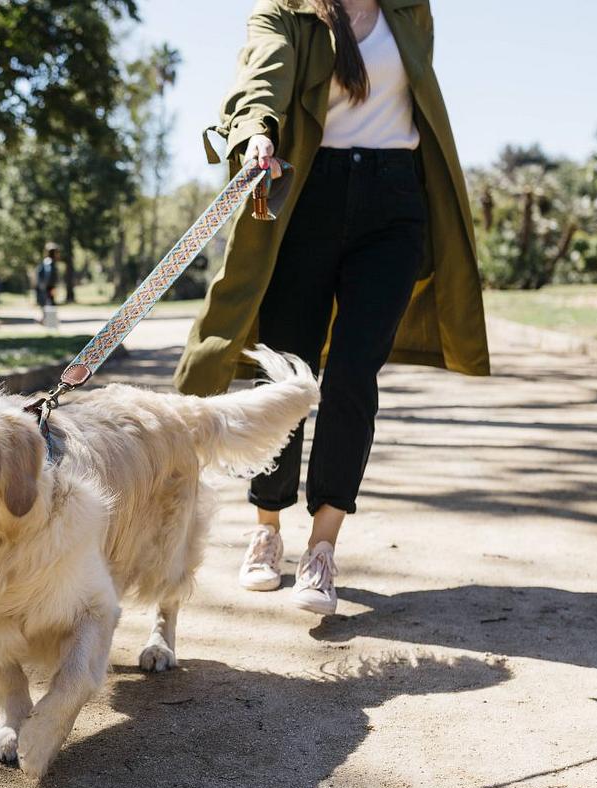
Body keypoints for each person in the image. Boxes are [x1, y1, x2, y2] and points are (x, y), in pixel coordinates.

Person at [174, 0, 488, 615]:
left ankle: (322, 548)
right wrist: (257, 131)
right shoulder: (285, 11)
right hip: (307, 199)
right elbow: (262, 77)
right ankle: (267, 529)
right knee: (289, 371)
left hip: (396, 204)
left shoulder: (409, 10)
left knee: (352, 374)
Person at [35, 243, 59, 318]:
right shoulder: (49, 262)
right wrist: (45, 285)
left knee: (48, 302)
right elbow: (48, 273)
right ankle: (47, 319)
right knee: (49, 302)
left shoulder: (48, 261)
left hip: (48, 286)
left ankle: (47, 319)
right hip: (48, 287)